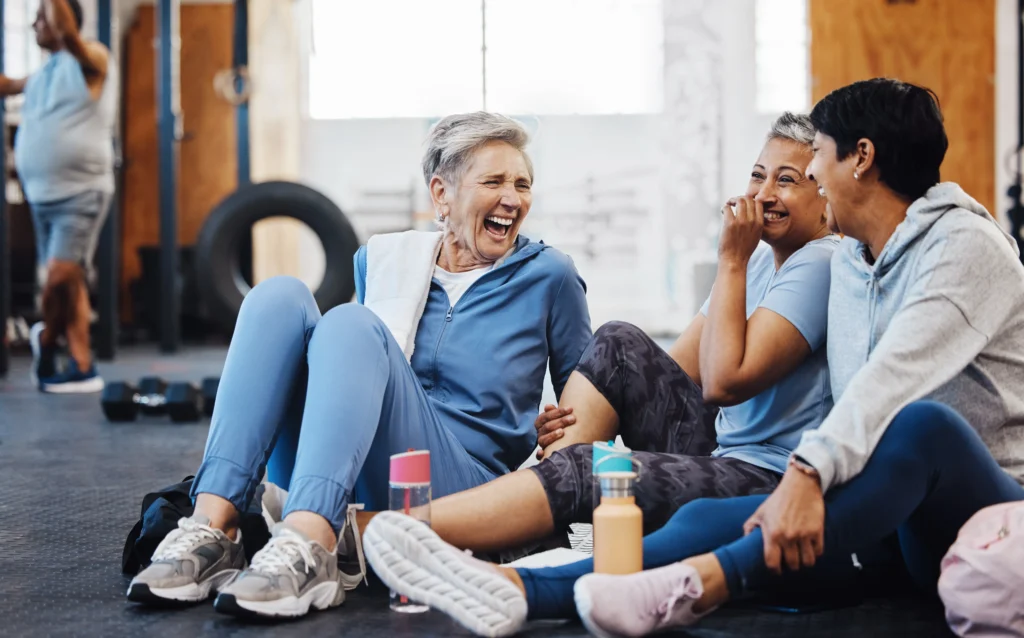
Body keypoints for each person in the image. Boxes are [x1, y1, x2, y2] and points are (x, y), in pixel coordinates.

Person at [362, 78, 1024, 638]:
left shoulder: (964, 249)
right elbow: (681, 375)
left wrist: (805, 475)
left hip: (979, 507)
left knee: (921, 424)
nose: (810, 177)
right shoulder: (856, 257)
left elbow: (885, 385)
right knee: (702, 513)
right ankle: (519, 585)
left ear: (861, 159)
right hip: (884, 510)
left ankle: (694, 579)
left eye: (812, 160)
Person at [126, 112, 593, 620]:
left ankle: (311, 543)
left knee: (350, 323)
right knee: (278, 296)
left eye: (523, 184)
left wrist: (559, 432)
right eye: (494, 181)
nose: (513, 198)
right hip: (355, 467)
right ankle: (214, 529)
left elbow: (591, 406)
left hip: (464, 487)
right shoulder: (382, 261)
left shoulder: (550, 276)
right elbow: (370, 380)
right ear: (442, 194)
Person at [422, 112, 839, 555]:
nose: (763, 194)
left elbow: (722, 382)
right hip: (723, 449)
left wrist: (731, 259)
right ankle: (538, 506)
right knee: (617, 342)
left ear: (824, 195)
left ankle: (412, 531)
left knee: (592, 470)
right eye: (758, 176)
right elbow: (669, 377)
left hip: (771, 476)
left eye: (787, 180)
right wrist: (571, 420)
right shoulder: (757, 261)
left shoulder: (819, 262)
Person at [0, 0, 116, 393]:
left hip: (80, 192)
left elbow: (67, 33)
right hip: (41, 196)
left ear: (63, 20)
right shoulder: (41, 75)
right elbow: (5, 85)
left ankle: (45, 342)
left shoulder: (93, 57)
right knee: (71, 283)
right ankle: (82, 364)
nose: (34, 23)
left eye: (41, 16)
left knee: (59, 277)